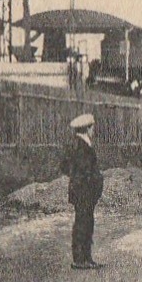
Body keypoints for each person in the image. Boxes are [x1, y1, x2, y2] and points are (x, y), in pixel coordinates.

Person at [61, 113, 104, 269]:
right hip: (84, 192)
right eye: (92, 127)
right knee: (83, 223)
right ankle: (80, 259)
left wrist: (75, 178)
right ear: (87, 128)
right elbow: (87, 170)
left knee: (85, 222)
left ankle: (85, 258)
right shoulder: (83, 146)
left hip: (82, 191)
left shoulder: (76, 144)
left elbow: (64, 167)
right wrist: (89, 182)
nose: (94, 130)